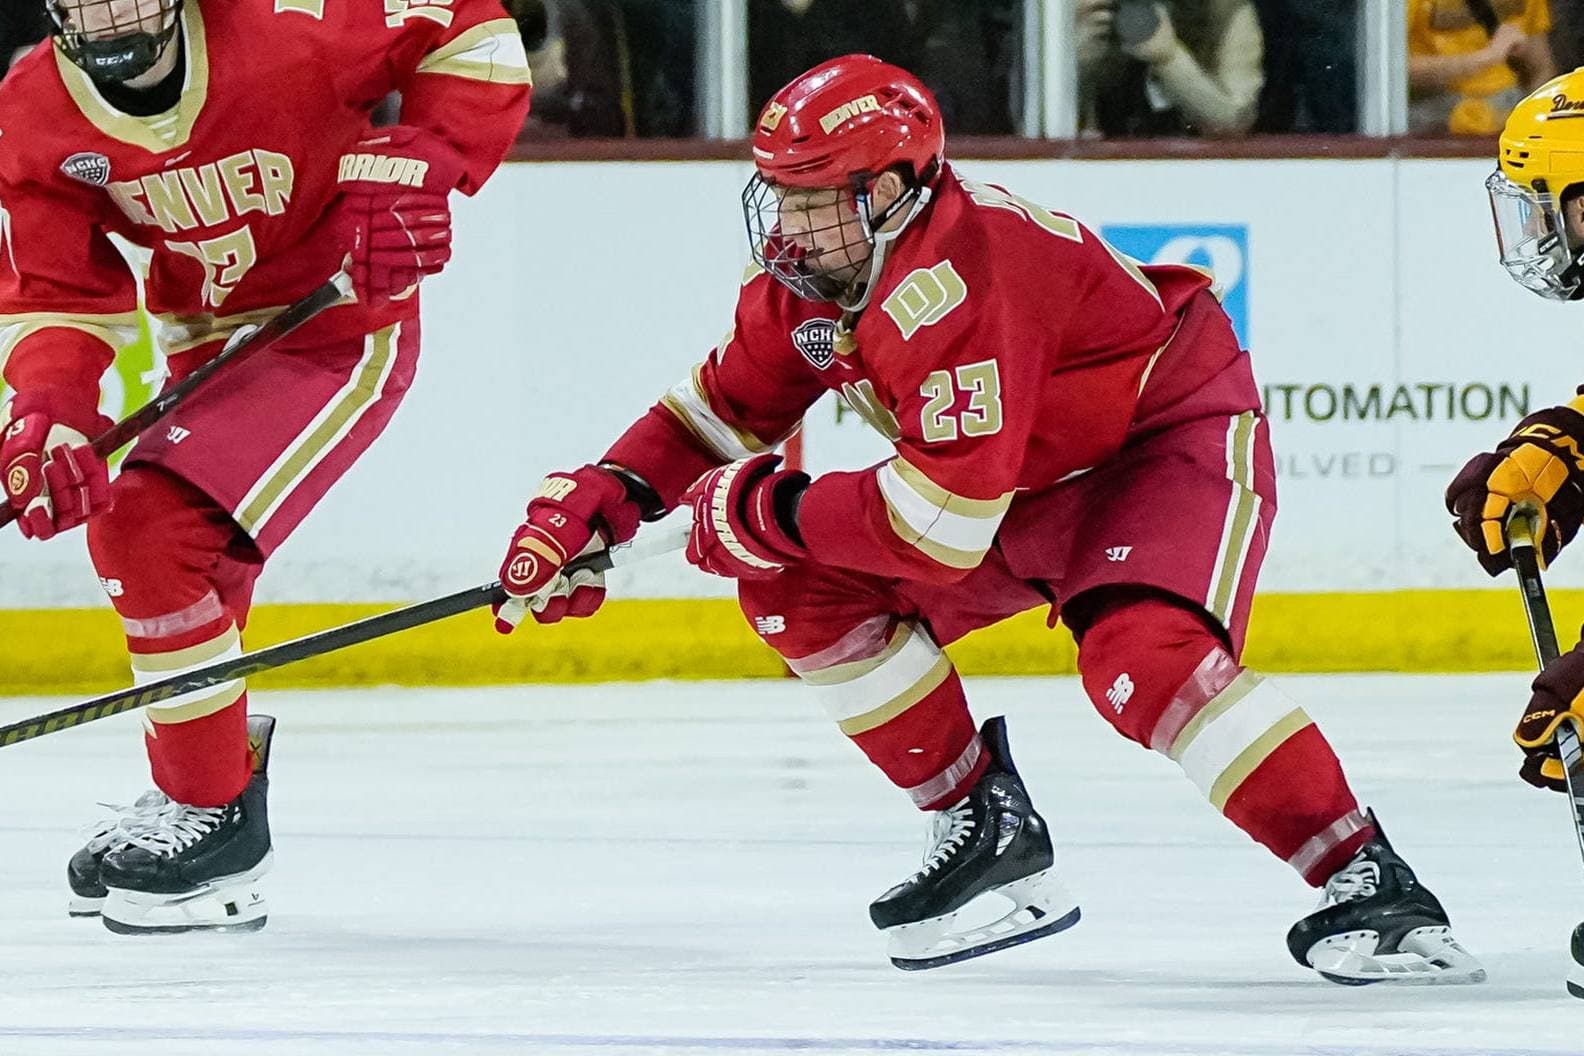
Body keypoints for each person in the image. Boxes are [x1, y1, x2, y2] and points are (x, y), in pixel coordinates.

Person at [491, 54, 1483, 982]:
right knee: (794, 586)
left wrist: (763, 508)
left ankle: (1371, 882)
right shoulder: (817, 277)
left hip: (1153, 444)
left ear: (889, 191)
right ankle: (984, 830)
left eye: (812, 199)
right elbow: (716, 411)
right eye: (779, 196)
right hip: (1012, 479)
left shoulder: (960, 280)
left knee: (1146, 662)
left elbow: (940, 529)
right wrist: (603, 501)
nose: (788, 227)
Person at [0, 0, 531, 933]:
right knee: (195, 569)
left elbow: (470, 27)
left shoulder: (293, 22)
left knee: (149, 528)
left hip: (336, 330)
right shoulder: (33, 105)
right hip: (201, 342)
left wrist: (424, 156)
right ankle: (204, 789)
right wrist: (49, 412)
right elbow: (56, 290)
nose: (108, 11)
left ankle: (212, 817)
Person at [1077, 0, 1264, 136]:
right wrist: (1076, 57)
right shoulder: (1085, 9)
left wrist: (1170, 59)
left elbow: (1234, 123)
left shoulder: (1225, 10)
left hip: (1198, 165)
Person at [1408, 0, 1555, 135]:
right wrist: (1485, 58)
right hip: (1434, 107)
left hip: (1507, 105)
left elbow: (1541, 68)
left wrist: (1535, 119)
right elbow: (1398, 70)